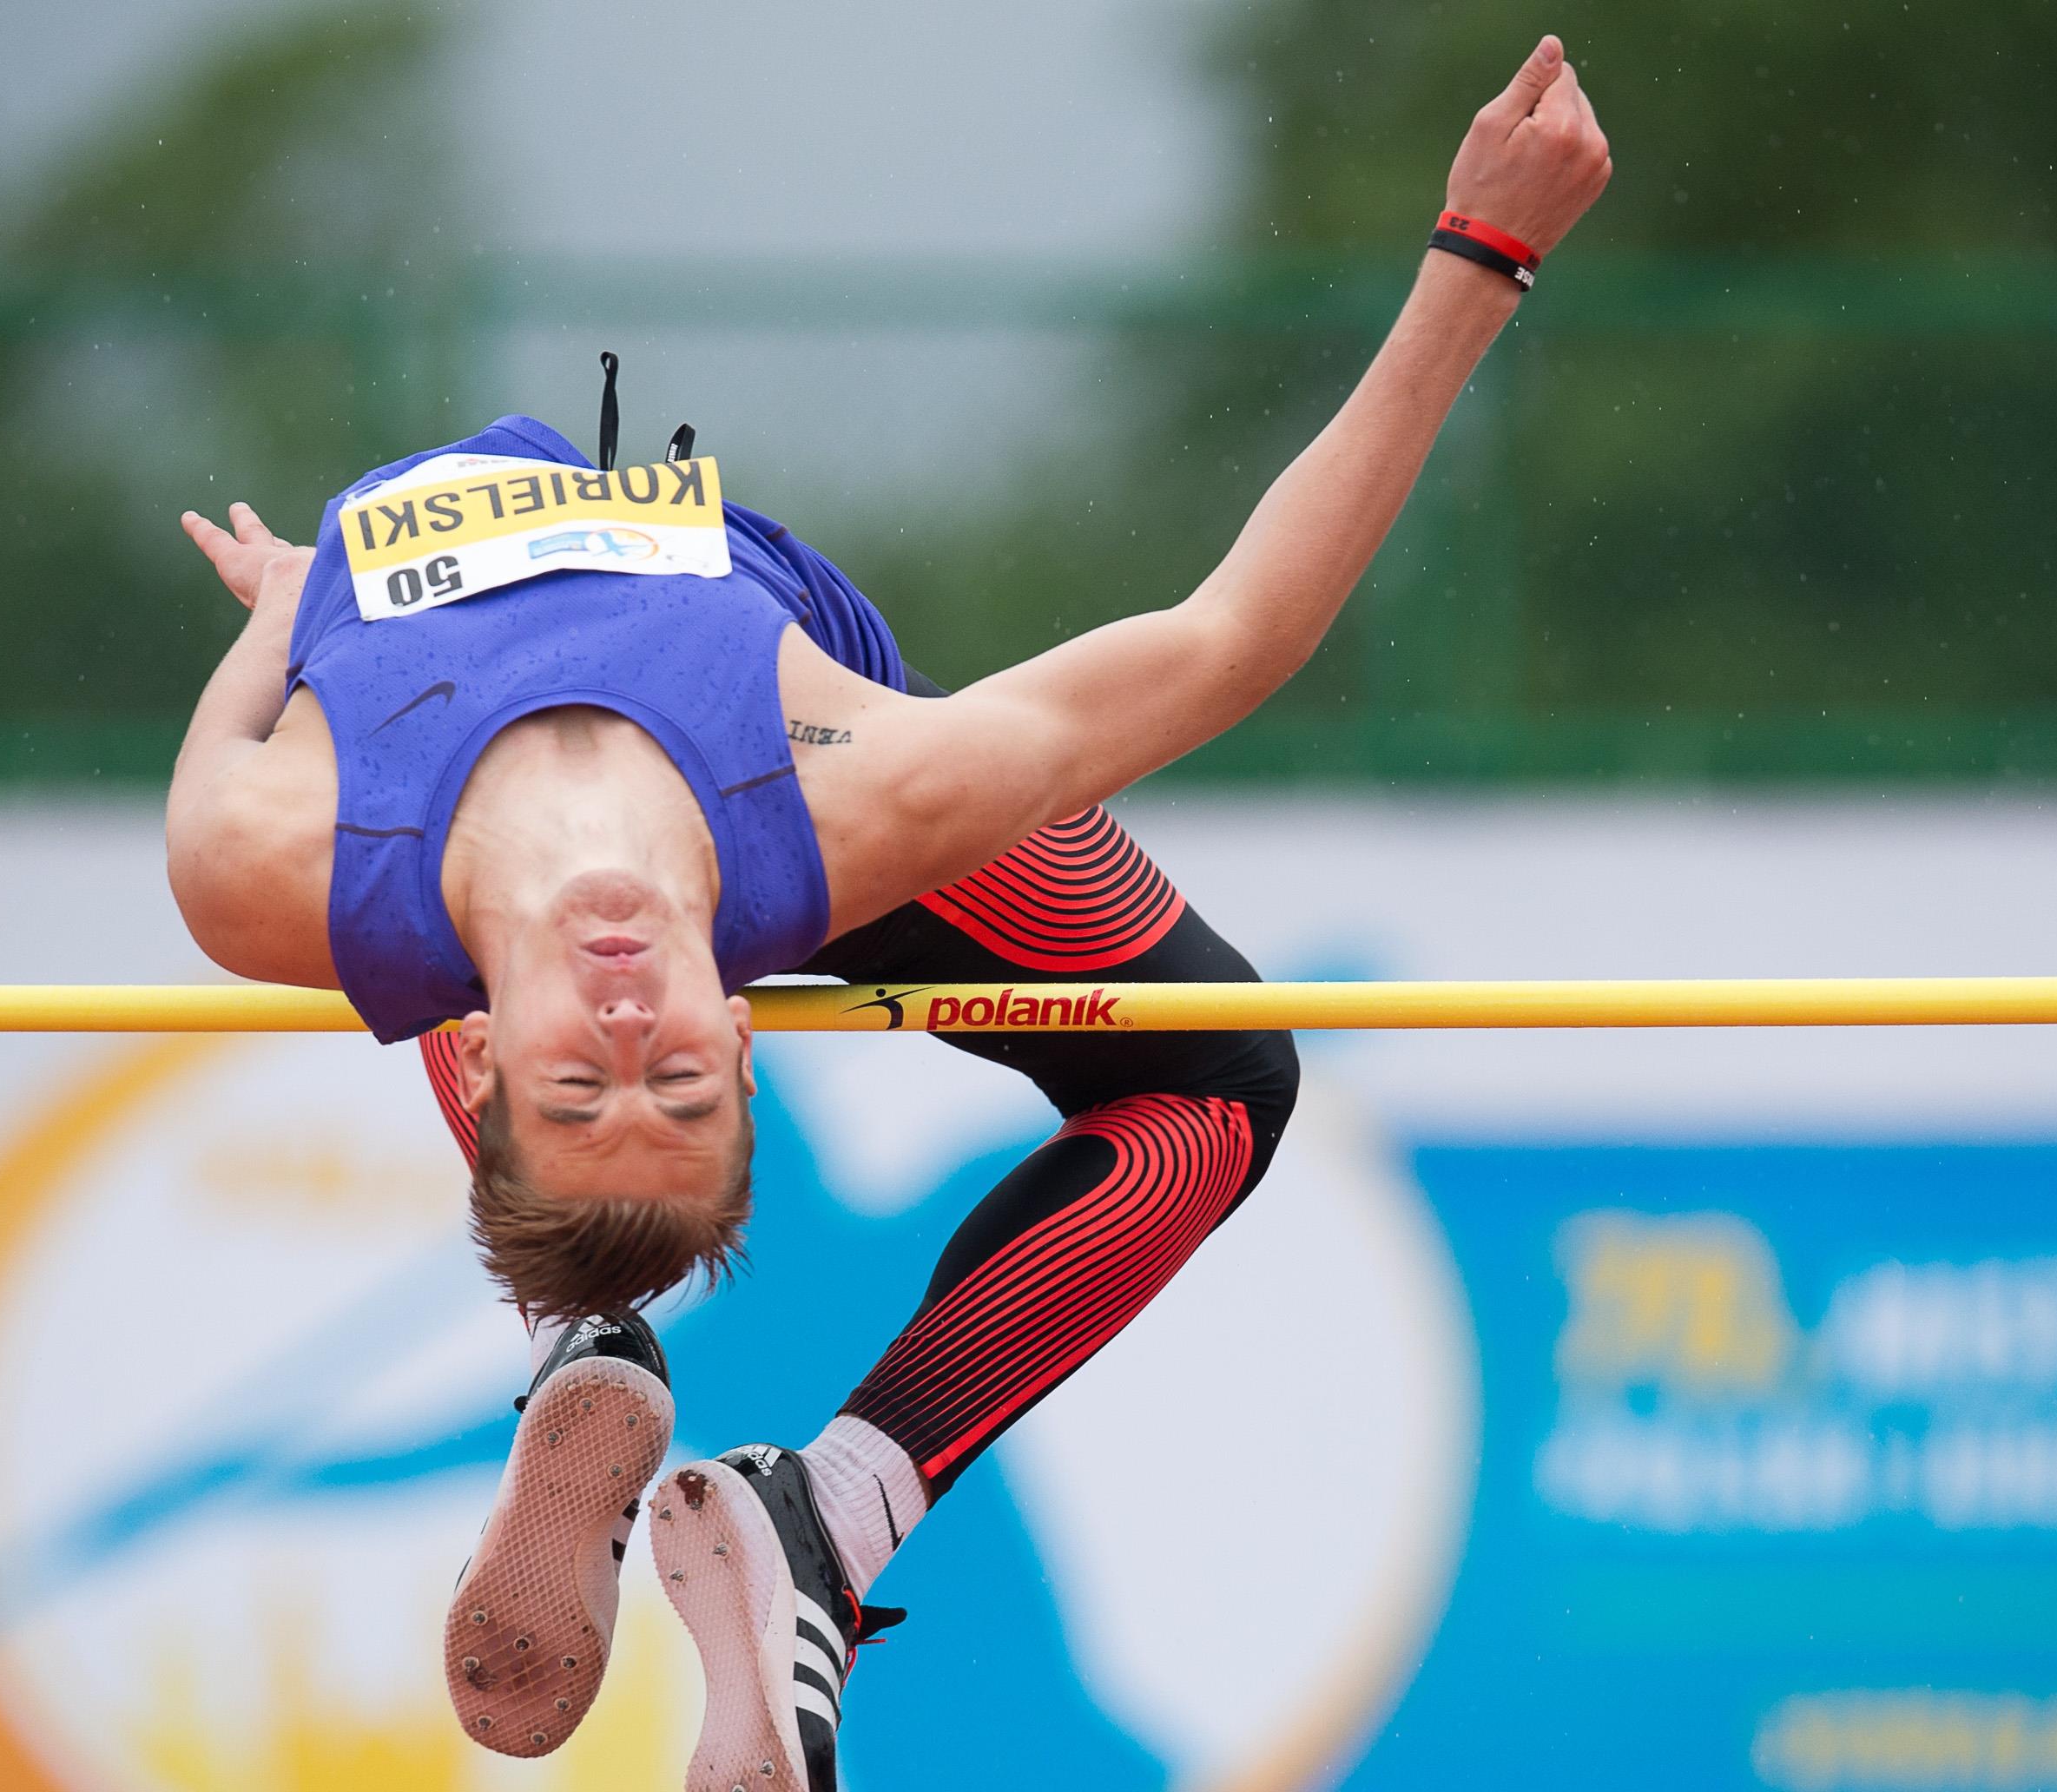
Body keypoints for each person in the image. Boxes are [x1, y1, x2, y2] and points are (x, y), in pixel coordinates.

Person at [164, 35, 1607, 1792]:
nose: (632, 1033)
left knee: (419, 922)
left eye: (584, 1085)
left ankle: (589, 1342)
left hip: (443, 756)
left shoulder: (273, 868)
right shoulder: (867, 794)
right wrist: (1483, 257)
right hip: (771, 777)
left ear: (476, 1064)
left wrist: (293, 623)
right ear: (747, 1058)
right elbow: (1233, 639)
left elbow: (236, 731)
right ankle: (829, 1519)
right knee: (1217, 1077)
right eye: (678, 1091)